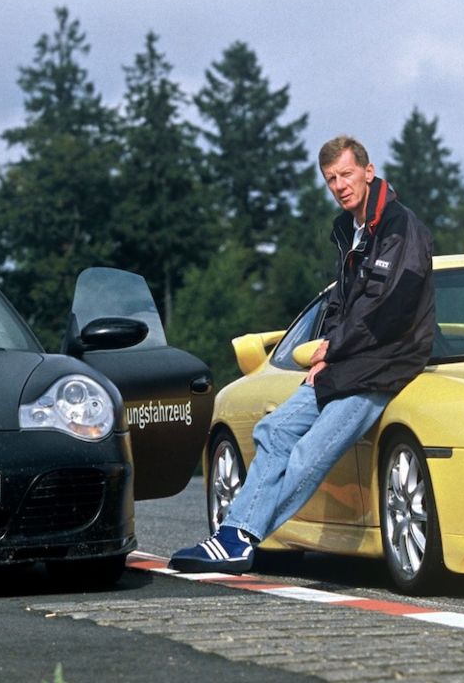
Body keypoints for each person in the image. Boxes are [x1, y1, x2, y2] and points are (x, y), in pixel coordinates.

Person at [169, 134, 435, 574]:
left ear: (368, 172)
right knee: (273, 431)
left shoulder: (401, 228)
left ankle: (241, 537)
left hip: (381, 368)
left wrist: (334, 347)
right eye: (331, 179)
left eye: (347, 174)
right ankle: (236, 537)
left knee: (308, 454)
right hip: (345, 364)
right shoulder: (350, 231)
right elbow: (341, 302)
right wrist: (327, 354)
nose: (340, 185)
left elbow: (386, 305)